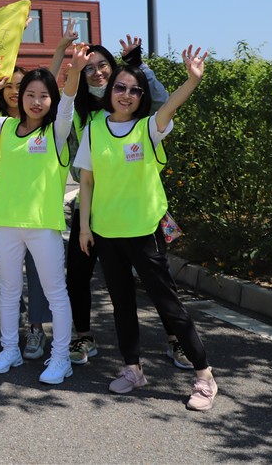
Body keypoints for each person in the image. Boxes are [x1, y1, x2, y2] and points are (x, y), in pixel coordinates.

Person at [76, 45, 219, 411]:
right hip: (106, 232)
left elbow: (171, 106)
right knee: (122, 304)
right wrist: (84, 228)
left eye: (134, 90)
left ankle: (204, 376)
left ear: (141, 97)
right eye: (120, 87)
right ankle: (132, 369)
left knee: (167, 304)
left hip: (143, 231)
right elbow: (87, 181)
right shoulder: (93, 129)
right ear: (110, 91)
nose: (126, 95)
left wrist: (192, 80)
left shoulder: (148, 128)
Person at [52, 31, 185, 368]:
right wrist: (64, 57)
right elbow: (56, 98)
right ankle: (84, 336)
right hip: (91, 205)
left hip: (136, 205)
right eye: (89, 68)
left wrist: (139, 65)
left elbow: (163, 102)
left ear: (113, 69)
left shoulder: (131, 105)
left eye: (103, 65)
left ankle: (177, 340)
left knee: (157, 280)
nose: (97, 72)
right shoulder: (80, 111)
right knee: (77, 274)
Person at [0, 51, 88, 384]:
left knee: (56, 294)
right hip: (6, 223)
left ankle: (60, 358)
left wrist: (75, 72)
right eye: (30, 95)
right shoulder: (7, 126)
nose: (36, 102)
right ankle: (9, 349)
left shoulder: (56, 131)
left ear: (52, 100)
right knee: (9, 291)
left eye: (44, 96)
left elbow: (68, 103)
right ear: (20, 98)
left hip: (42, 225)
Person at [0, 65, 52, 362]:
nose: (15, 92)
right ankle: (15, 323)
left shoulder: (42, 120)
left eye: (21, 86)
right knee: (7, 267)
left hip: (32, 194)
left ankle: (36, 327)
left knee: (38, 266)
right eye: (10, 87)